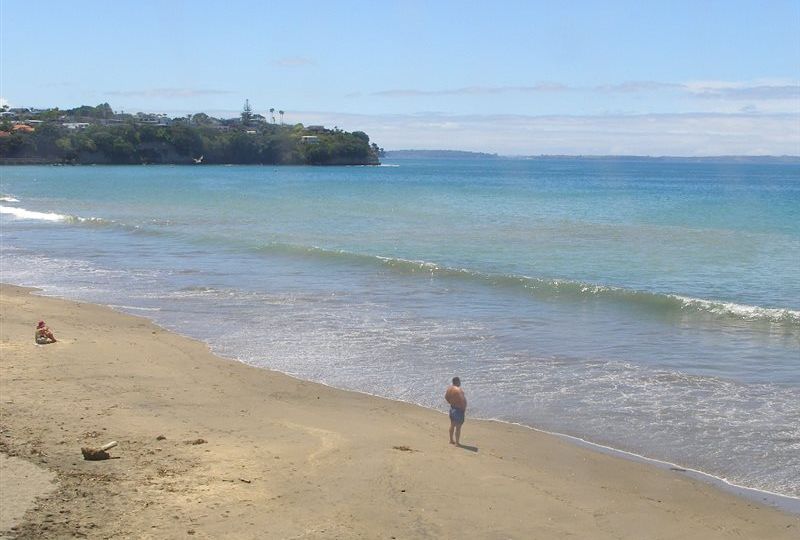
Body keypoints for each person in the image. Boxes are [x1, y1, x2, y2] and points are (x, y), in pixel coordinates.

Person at [445, 376, 467, 445]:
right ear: (457, 382)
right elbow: (463, 400)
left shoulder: (449, 389)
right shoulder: (459, 390)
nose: (460, 383)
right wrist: (463, 409)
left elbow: (446, 397)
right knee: (458, 427)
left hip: (452, 409)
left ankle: (451, 440)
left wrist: (452, 403)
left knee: (452, 425)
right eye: (459, 381)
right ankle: (457, 443)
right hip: (458, 410)